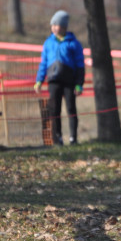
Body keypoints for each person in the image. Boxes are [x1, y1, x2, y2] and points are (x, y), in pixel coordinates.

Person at [34, 10, 85, 145]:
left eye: (57, 25)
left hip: (69, 81)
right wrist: (39, 80)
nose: (55, 28)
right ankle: (58, 137)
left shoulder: (74, 44)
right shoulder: (48, 43)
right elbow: (43, 63)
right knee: (54, 109)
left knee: (71, 109)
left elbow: (80, 65)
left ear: (64, 27)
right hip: (53, 80)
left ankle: (73, 138)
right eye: (53, 25)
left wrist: (79, 84)